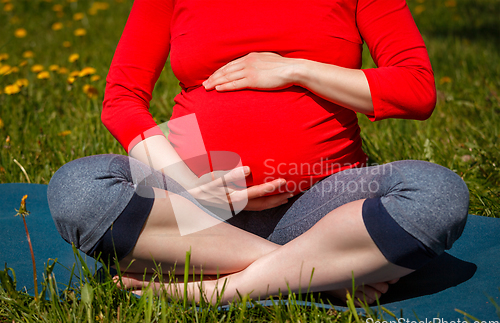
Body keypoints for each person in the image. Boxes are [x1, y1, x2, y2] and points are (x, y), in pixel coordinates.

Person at [47, 0, 469, 305]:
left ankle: (211, 290)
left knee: (438, 192)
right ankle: (319, 275)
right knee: (78, 188)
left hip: (323, 206)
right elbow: (122, 98)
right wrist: (189, 182)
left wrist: (294, 68)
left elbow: (416, 90)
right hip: (196, 208)